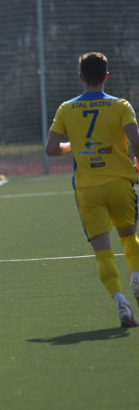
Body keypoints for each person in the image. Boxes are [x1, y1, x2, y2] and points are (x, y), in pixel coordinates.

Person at [44, 52, 139, 328]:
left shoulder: (65, 109)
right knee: (129, 236)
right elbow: (135, 139)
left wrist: (72, 146)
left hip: (88, 189)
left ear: (80, 77)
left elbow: (51, 149)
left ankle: (120, 300)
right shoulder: (121, 106)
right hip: (120, 183)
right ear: (106, 76)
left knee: (103, 253)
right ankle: (135, 276)